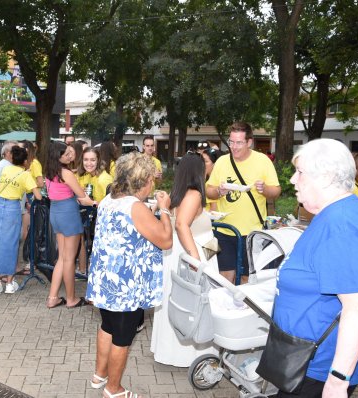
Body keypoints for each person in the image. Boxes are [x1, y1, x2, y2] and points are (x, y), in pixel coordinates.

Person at [273, 139, 358, 397]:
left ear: (326, 177)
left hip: (320, 366)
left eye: (300, 173)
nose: (292, 181)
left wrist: (337, 380)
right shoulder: (336, 213)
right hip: (306, 357)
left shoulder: (342, 224)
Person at [86, 152, 173, 398]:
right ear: (142, 180)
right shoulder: (135, 207)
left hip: (106, 280)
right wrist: (164, 210)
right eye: (150, 180)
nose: (152, 185)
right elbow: (166, 240)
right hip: (126, 285)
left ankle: (98, 375)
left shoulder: (108, 201)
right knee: (122, 338)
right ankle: (113, 389)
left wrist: (152, 209)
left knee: (107, 326)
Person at [150, 153, 218, 367]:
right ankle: (189, 355)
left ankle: (173, 351)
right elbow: (181, 225)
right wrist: (195, 261)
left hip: (188, 250)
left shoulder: (179, 193)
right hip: (192, 251)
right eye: (206, 163)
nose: (209, 166)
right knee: (193, 300)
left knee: (180, 298)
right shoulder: (194, 193)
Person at [205, 121, 281, 283]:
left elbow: (276, 191)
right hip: (224, 230)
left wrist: (265, 190)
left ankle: (243, 308)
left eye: (239, 142)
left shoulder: (263, 161)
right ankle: (224, 307)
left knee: (248, 278)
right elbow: (208, 190)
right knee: (224, 278)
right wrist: (218, 191)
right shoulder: (222, 161)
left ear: (249, 142)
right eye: (231, 142)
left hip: (252, 234)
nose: (234, 147)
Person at [45, 141, 94, 308]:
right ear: (57, 156)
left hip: (55, 213)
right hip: (69, 214)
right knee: (69, 259)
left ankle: (53, 298)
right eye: (65, 154)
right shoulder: (66, 173)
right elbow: (82, 197)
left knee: (62, 257)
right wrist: (96, 203)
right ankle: (71, 299)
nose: (69, 156)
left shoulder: (50, 172)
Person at [0, 146, 41, 296]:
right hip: (12, 207)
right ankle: (9, 283)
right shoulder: (25, 175)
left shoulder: (5, 170)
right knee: (11, 244)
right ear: (24, 161)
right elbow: (38, 196)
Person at [76, 147, 114, 273]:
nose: (89, 163)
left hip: (106, 223)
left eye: (93, 160)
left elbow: (111, 205)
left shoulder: (105, 180)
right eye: (86, 160)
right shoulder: (89, 176)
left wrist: (91, 203)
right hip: (95, 220)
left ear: (98, 161)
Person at [202, 147, 223, 211]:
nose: (202, 164)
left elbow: (213, 210)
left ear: (215, 164)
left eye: (205, 161)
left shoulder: (212, 184)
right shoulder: (206, 180)